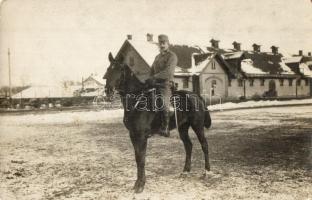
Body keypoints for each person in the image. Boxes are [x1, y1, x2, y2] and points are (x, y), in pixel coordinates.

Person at [146, 34, 178, 137]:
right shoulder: (157, 57)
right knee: (145, 101)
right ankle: (151, 126)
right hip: (154, 84)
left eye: (164, 43)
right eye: (160, 43)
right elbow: (151, 71)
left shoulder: (172, 56)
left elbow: (168, 72)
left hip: (165, 85)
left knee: (164, 104)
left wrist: (154, 77)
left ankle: (165, 127)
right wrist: (148, 79)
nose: (162, 45)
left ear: (168, 44)